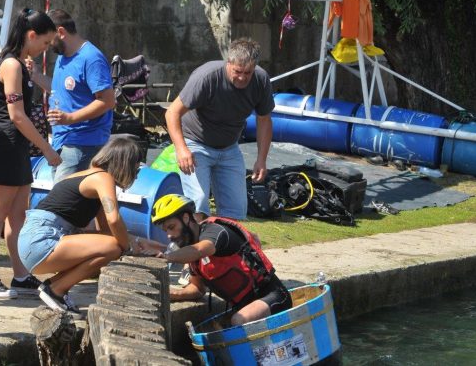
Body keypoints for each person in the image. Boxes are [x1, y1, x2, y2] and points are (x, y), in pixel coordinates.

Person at [0, 9, 61, 299]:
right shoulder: (11, 65)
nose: (45, 49)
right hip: (6, 143)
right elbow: (17, 115)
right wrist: (46, 148)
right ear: (31, 35)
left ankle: (21, 275)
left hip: (18, 145)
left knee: (18, 214)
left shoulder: (22, 66)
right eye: (45, 43)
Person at [17, 137, 142, 314]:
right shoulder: (103, 178)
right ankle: (56, 290)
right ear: (124, 163)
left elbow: (107, 231)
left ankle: (54, 285)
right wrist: (127, 249)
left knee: (112, 246)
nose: (137, 174)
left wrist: (138, 242)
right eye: (136, 167)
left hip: (35, 241)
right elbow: (114, 220)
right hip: (41, 240)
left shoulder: (92, 177)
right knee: (113, 248)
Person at [165, 38, 274, 221]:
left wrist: (261, 159)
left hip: (229, 148)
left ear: (254, 68)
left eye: (248, 73)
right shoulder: (207, 77)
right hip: (196, 143)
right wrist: (181, 149)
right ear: (228, 63)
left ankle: (223, 239)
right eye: (238, 71)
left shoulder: (261, 80)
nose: (242, 78)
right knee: (198, 202)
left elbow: (264, 120)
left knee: (236, 210)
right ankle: (196, 239)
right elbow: (172, 113)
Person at [149, 194, 292, 326]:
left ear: (186, 218)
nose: (169, 235)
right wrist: (172, 293)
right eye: (166, 230)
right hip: (244, 307)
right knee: (213, 327)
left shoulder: (215, 232)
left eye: (171, 227)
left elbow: (199, 250)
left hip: (274, 296)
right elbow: (197, 289)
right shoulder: (192, 254)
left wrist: (166, 257)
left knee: (238, 320)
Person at [28, 9, 115, 182]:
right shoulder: (64, 56)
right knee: (65, 195)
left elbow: (107, 101)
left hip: (83, 143)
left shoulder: (91, 58)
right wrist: (36, 76)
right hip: (62, 141)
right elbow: (59, 89)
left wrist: (70, 118)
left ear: (61, 32)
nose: (47, 46)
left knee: (62, 196)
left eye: (49, 40)